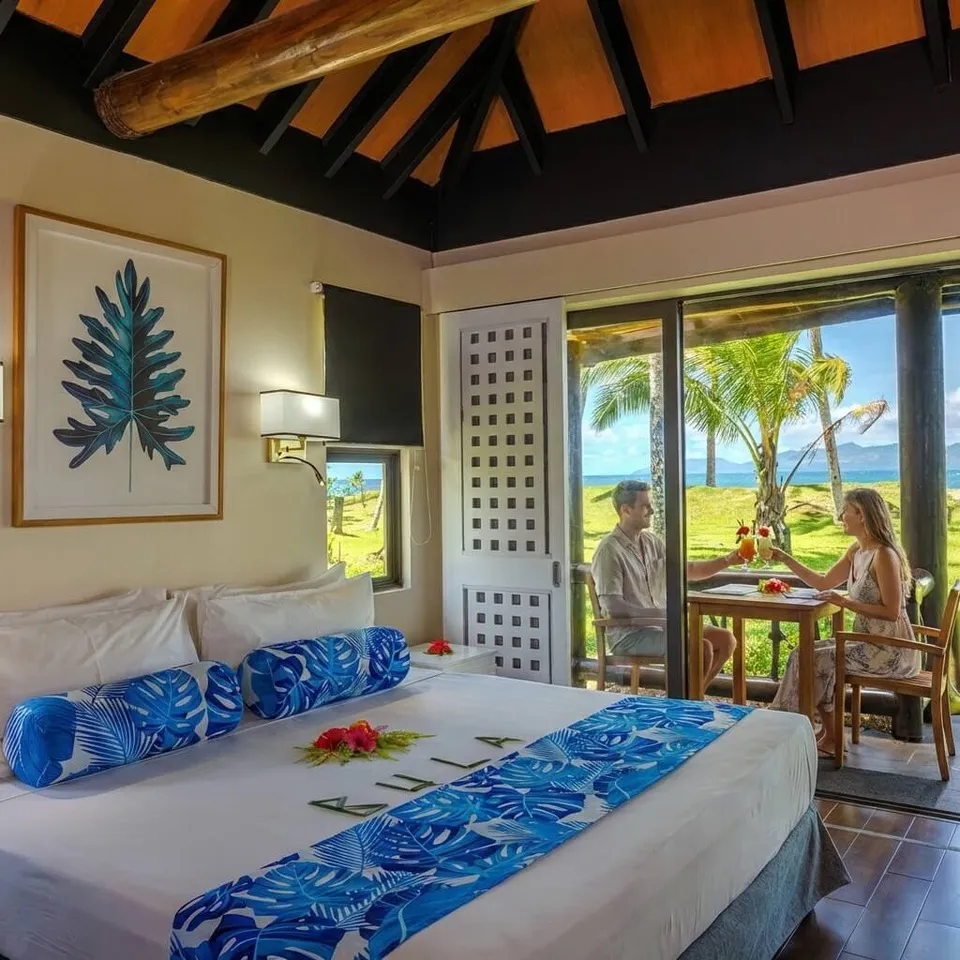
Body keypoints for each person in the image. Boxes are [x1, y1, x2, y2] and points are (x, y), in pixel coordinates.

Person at [770, 488, 918, 757]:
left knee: (819, 660)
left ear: (860, 515)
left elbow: (892, 612)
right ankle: (822, 733)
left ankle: (791, 731)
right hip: (866, 642)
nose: (841, 517)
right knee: (801, 653)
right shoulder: (857, 551)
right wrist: (784, 557)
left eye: (846, 511)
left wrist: (846, 603)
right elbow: (823, 581)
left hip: (890, 650)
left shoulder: (884, 555)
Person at [592, 479, 740, 688]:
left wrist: (729, 560)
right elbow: (613, 607)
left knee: (726, 640)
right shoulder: (609, 551)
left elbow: (689, 570)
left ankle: (691, 699)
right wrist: (659, 614)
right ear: (625, 509)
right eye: (645, 506)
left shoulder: (652, 542)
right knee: (701, 647)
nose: (651, 511)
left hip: (662, 628)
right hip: (629, 636)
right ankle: (690, 703)